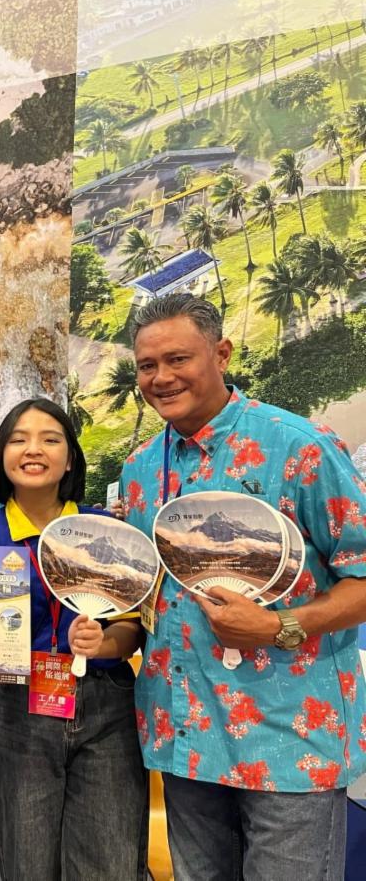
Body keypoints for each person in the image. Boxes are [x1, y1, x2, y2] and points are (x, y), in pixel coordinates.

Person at [120, 293, 366, 880]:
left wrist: (281, 624)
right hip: (186, 741)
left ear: (222, 353)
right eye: (147, 366)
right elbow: (146, 598)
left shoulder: (298, 446)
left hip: (286, 742)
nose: (162, 378)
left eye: (178, 359)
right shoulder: (140, 470)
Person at [0, 398, 146, 880]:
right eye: (19, 439)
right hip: (21, 708)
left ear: (70, 457)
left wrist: (102, 644)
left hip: (107, 708)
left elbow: (129, 628)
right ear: (2, 454)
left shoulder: (103, 530)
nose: (33, 449)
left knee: (111, 858)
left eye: (50, 438)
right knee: (27, 859)